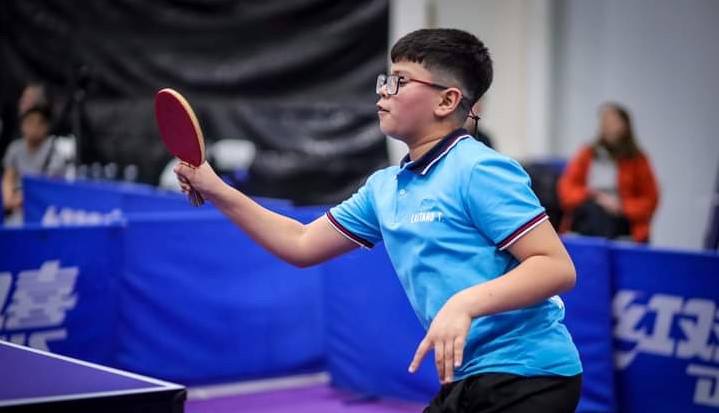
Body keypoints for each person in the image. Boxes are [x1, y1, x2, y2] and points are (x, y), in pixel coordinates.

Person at [175, 28, 582, 412]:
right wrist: (215, 188)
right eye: (386, 79)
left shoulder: (480, 169)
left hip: (530, 373)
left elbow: (555, 266)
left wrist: (465, 303)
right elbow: (300, 243)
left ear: (446, 101)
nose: (383, 91)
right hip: (469, 377)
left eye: (400, 81)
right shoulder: (384, 188)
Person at [558, 103, 659, 243]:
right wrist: (593, 195)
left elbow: (650, 200)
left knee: (605, 221)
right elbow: (566, 190)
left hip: (623, 219)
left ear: (625, 126)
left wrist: (621, 206)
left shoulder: (637, 160)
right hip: (589, 211)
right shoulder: (587, 154)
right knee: (594, 215)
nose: (607, 126)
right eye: (604, 121)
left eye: (613, 122)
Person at [2, 105, 67, 225]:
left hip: (43, 211)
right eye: (30, 122)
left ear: (46, 127)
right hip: (16, 209)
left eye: (39, 123)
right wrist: (8, 198)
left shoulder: (53, 152)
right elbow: (8, 177)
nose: (34, 127)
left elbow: (49, 186)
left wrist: (20, 199)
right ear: (22, 126)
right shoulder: (14, 148)